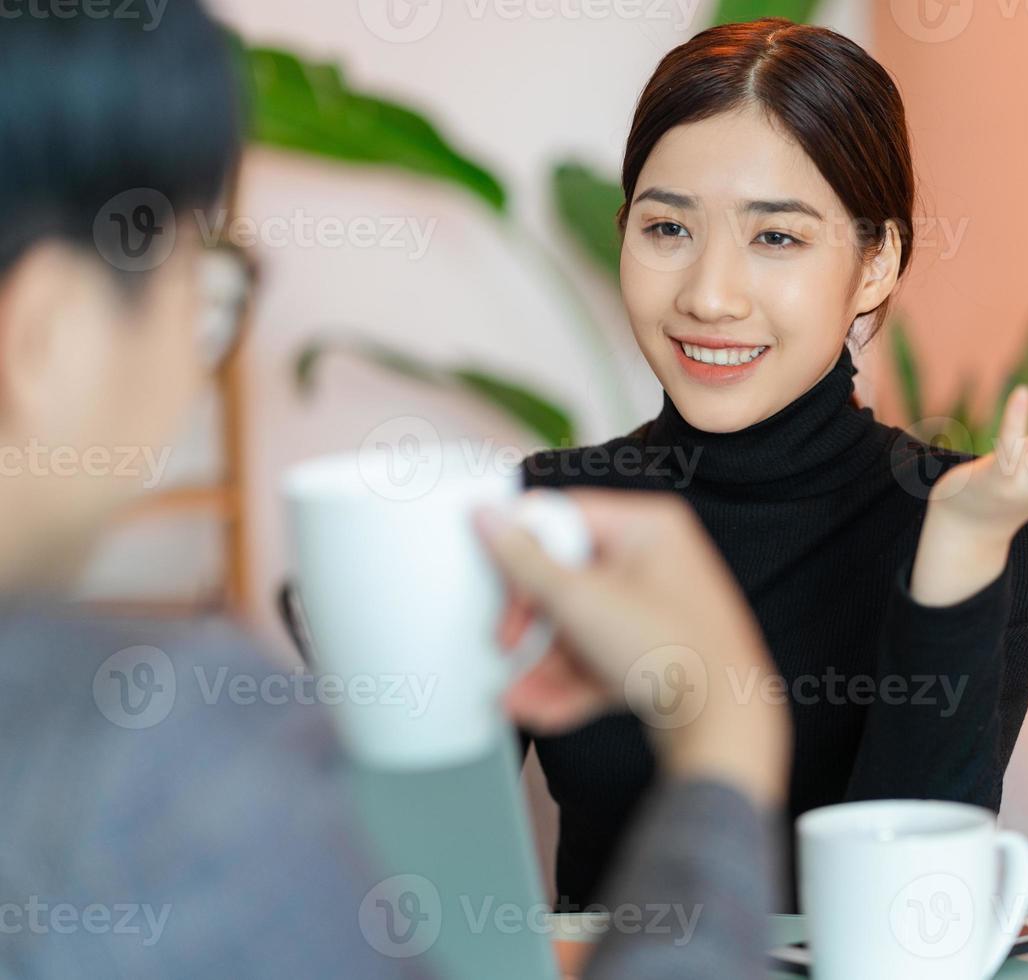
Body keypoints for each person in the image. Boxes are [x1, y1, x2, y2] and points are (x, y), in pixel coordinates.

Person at [0, 4, 792, 978]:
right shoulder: (165, 770)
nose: (713, 292)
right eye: (198, 282)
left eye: (777, 239)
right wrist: (727, 739)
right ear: (47, 334)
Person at [505, 17, 1028, 913]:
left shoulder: (968, 523)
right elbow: (406, 871)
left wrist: (960, 549)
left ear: (875, 265)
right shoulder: (549, 512)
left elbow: (905, 918)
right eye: (668, 227)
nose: (709, 294)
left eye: (776, 238)